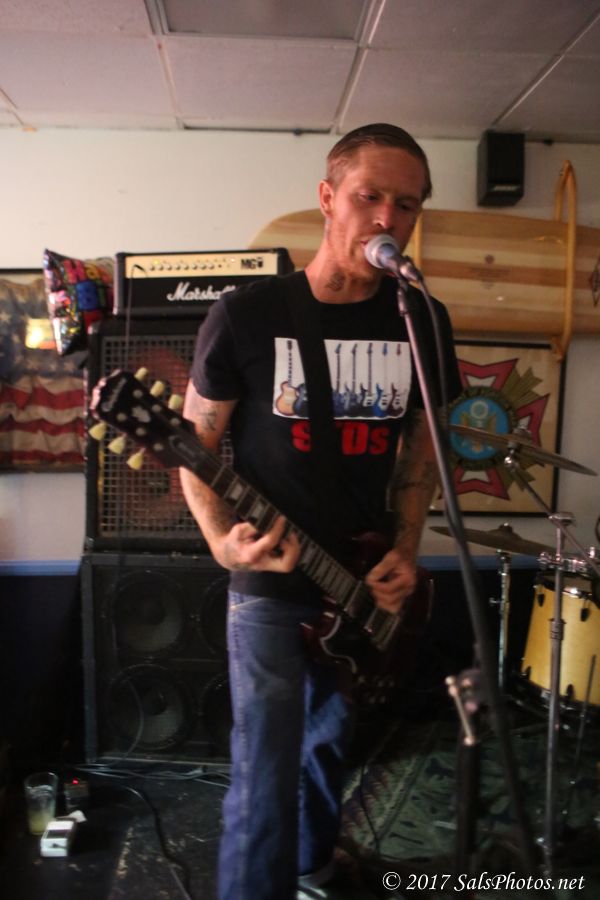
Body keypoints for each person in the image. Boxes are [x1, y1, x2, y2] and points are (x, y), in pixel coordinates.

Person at [180, 123, 461, 900]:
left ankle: (312, 868)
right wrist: (222, 543)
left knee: (329, 751)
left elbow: (420, 455)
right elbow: (193, 445)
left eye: (406, 204)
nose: (387, 218)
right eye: (370, 196)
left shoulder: (421, 319)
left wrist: (406, 548)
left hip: (366, 580)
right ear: (329, 198)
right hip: (272, 579)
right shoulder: (248, 314)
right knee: (264, 772)